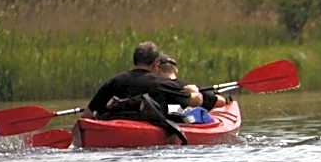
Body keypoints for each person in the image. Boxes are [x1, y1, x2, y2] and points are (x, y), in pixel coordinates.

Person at [83, 42, 220, 118]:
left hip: (115, 127)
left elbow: (87, 115)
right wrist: (194, 91)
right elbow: (195, 101)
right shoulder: (161, 83)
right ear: (155, 64)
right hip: (147, 131)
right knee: (176, 110)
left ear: (135, 60)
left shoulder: (114, 81)